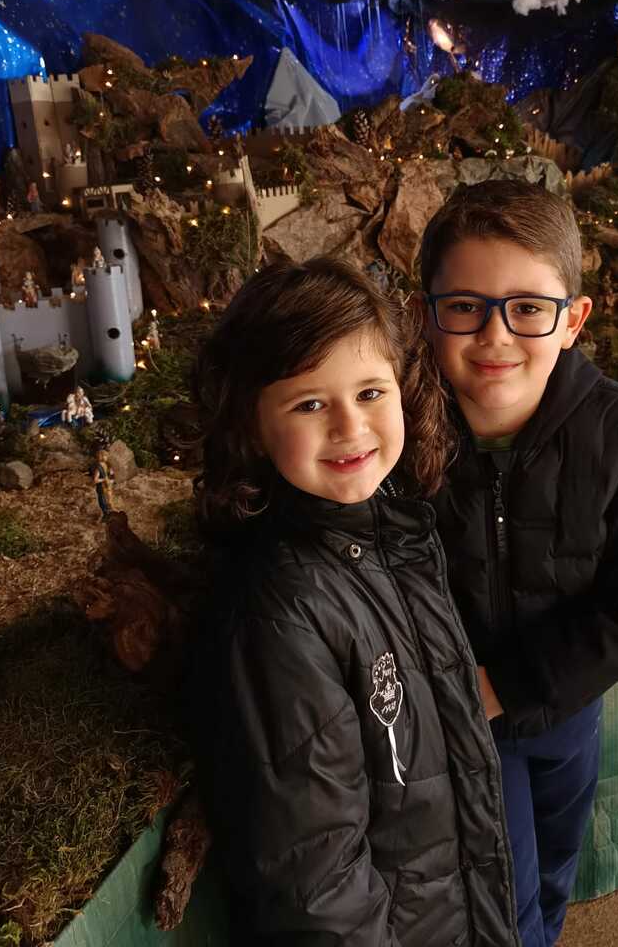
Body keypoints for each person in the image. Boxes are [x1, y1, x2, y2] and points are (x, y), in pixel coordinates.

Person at [192, 257, 519, 947]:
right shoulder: (281, 612)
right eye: (309, 404)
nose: (349, 426)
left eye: (370, 392)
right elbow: (316, 880)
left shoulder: (393, 535)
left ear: (402, 389)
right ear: (252, 424)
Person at [419, 180, 618, 947]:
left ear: (573, 320)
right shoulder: (401, 433)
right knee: (505, 905)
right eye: (464, 306)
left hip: (568, 709)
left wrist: (511, 684)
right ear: (426, 313)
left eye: (528, 308)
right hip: (457, 721)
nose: (495, 336)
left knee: (556, 868)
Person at [91, 447, 114, 519]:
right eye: (105, 455)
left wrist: (111, 479)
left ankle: (109, 514)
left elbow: (110, 475)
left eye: (107, 455)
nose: (107, 457)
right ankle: (106, 515)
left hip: (107, 487)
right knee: (103, 502)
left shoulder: (106, 465)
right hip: (101, 488)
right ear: (100, 456)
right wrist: (104, 479)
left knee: (109, 502)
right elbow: (95, 480)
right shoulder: (98, 468)